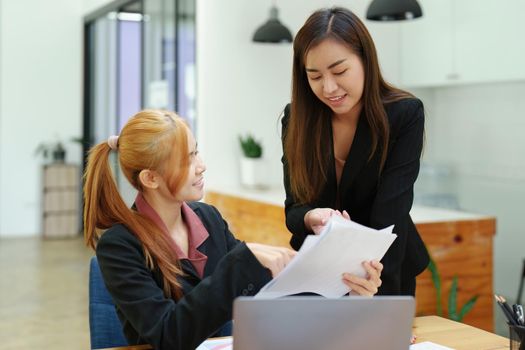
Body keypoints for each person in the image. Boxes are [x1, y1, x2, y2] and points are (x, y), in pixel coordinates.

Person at [84, 109, 383, 350]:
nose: (201, 166)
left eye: (196, 152)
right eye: (186, 159)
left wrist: (346, 286)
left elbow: (267, 298)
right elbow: (168, 335)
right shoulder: (120, 246)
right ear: (150, 178)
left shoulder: (208, 218)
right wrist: (242, 260)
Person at [281, 7, 430, 297]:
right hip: (318, 272)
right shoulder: (296, 120)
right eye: (314, 77)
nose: (329, 87)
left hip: (384, 268)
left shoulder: (403, 114)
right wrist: (311, 217)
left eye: (339, 71)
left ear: (365, 59)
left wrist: (383, 307)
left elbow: (391, 215)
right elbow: (294, 209)